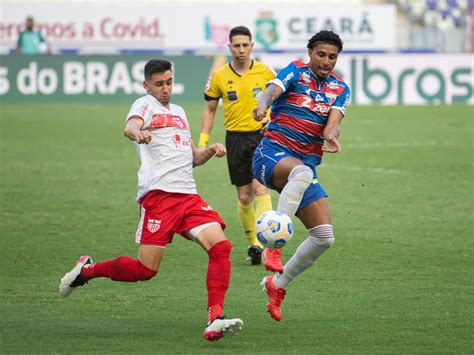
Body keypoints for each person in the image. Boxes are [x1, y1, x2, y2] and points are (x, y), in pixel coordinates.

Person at [59, 59, 243, 342]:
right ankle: (87, 270)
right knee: (145, 270)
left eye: (169, 82)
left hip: (189, 197)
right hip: (159, 197)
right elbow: (130, 127)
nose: (165, 88)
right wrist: (138, 132)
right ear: (147, 85)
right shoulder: (144, 105)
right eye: (159, 84)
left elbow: (191, 157)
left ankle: (214, 318)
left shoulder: (180, 112)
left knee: (221, 247)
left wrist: (210, 150)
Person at [252, 30, 350, 321]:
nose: (326, 61)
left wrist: (331, 136)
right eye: (321, 54)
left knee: (324, 237)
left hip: (303, 169)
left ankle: (277, 285)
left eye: (332, 56)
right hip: (271, 154)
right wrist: (262, 103)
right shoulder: (295, 70)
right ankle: (272, 247)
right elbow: (272, 91)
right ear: (310, 53)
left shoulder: (340, 88)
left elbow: (333, 123)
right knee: (301, 171)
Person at [199, 25, 282, 271]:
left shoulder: (266, 72)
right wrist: (202, 142)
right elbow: (210, 109)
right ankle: (253, 244)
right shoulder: (219, 76)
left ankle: (265, 245)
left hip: (261, 137)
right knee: (244, 196)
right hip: (234, 140)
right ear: (230, 47)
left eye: (246, 45)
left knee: (261, 190)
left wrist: (272, 120)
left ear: (252, 45)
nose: (241, 49)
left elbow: (281, 99)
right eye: (237, 45)